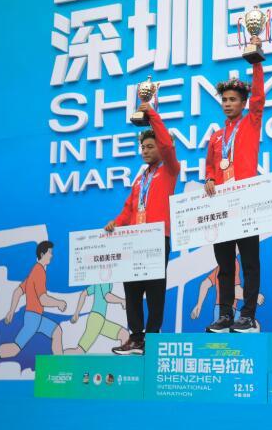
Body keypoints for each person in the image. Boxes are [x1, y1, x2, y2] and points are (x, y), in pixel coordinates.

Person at [105, 102, 180, 355]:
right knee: (132, 289)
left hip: (157, 239)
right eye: (143, 147)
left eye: (150, 146)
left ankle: (152, 337)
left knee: (155, 289)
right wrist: (116, 223)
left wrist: (152, 115)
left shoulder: (170, 170)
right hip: (134, 240)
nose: (145, 151)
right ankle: (136, 337)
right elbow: (129, 209)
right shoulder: (140, 178)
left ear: (161, 147)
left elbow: (168, 145)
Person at [204, 37, 265, 334]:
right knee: (225, 264)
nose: (228, 104)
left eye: (233, 100)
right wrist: (209, 178)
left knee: (250, 263)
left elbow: (259, 98)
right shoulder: (216, 136)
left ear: (243, 103)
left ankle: (248, 315)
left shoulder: (251, 122)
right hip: (222, 208)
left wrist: (256, 63)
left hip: (246, 203)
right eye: (224, 100)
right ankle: (225, 314)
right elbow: (210, 166)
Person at [0, 241, 66, 379]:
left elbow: (18, 291)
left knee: (57, 331)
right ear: (42, 254)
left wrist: (11, 311)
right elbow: (43, 299)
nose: (52, 255)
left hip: (36, 317)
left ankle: (61, 368)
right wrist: (59, 303)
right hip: (33, 318)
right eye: (50, 252)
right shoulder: (39, 271)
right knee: (15, 348)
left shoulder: (34, 271)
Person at [64, 283, 129, 354]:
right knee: (79, 351)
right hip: (96, 320)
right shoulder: (105, 281)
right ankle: (59, 354)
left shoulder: (98, 282)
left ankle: (122, 361)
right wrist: (122, 300)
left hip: (99, 320)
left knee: (124, 334)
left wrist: (76, 314)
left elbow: (83, 294)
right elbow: (107, 296)